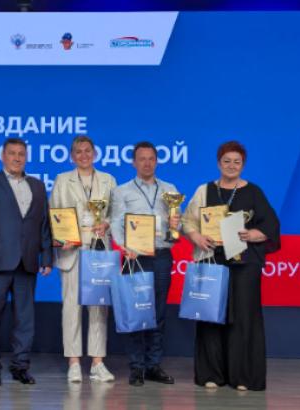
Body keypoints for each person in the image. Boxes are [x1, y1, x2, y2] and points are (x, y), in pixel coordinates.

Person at [182, 140, 280, 392]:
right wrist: (196, 237)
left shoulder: (254, 192)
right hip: (212, 260)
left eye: (237, 162)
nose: (232, 165)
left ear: (243, 165)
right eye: (227, 161)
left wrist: (253, 234)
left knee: (244, 318)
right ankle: (211, 374)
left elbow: (271, 225)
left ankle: (243, 376)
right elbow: (187, 221)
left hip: (244, 264)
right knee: (210, 317)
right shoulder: (204, 190)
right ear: (219, 163)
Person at [0, 137, 52, 386]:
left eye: (21, 154)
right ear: (2, 156)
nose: (17, 158)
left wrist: (47, 257)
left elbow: (44, 225)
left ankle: (20, 366)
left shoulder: (38, 186)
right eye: (12, 153)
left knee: (25, 320)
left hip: (28, 262)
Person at [110, 141, 179, 387]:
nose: (147, 163)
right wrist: (123, 247)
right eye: (142, 159)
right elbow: (115, 224)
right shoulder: (122, 191)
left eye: (151, 158)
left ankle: (153, 365)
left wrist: (176, 225)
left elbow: (176, 229)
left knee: (158, 313)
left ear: (157, 161)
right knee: (136, 312)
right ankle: (136, 367)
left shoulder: (170, 190)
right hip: (135, 257)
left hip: (161, 255)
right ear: (133, 162)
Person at [49, 135, 117, 383]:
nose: (83, 155)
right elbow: (55, 213)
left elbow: (116, 214)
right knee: (71, 307)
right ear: (72, 156)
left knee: (99, 307)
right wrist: (61, 237)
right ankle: (74, 362)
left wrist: (106, 223)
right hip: (72, 251)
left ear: (95, 153)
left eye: (87, 151)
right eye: (78, 151)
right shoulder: (62, 180)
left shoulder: (108, 180)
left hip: (99, 249)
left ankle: (97, 362)